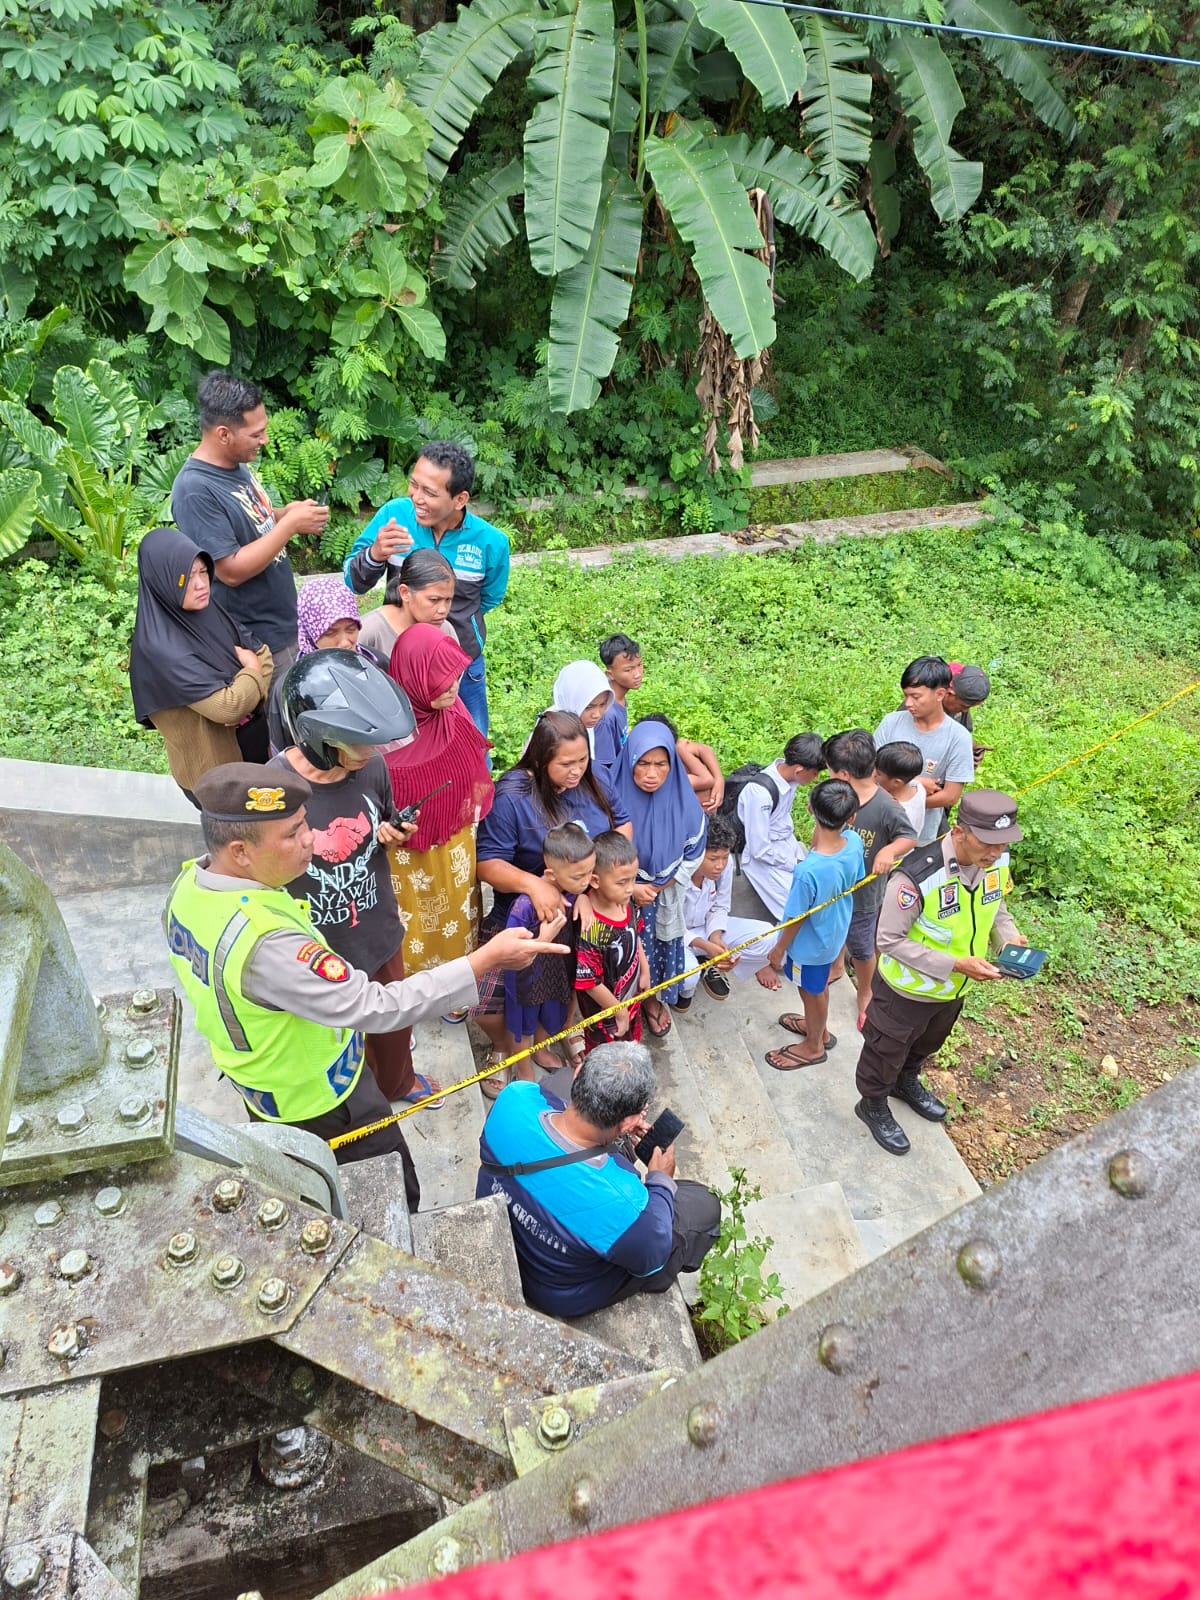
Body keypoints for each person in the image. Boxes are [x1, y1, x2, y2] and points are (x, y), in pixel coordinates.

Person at [163, 762, 568, 1208]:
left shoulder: (190, 887)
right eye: (294, 833)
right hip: (323, 1103)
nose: (311, 840)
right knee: (387, 1193)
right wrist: (484, 961)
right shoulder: (267, 945)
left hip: (265, 1087)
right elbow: (377, 1006)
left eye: (306, 825)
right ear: (240, 851)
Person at [271, 650, 444, 1110]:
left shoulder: (371, 768)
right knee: (333, 1038)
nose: (371, 754)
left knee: (393, 1025)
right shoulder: (275, 789)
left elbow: (382, 823)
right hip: (317, 946)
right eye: (358, 743)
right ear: (317, 737)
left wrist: (393, 834)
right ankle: (358, 1103)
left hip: (376, 927)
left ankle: (398, 1083)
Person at [477, 1040, 721, 1317]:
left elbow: (555, 1108)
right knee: (704, 1205)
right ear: (629, 1121)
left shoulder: (514, 1096)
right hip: (553, 1289)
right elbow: (651, 1259)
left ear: (578, 1074)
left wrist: (619, 1132)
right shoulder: (626, 1203)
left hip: (501, 1230)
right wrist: (661, 1181)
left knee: (556, 1081)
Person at [853, 790, 1027, 1156]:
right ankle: (872, 1103)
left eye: (1003, 844)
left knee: (927, 1043)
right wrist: (955, 964)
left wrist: (1008, 939)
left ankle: (905, 1082)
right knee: (885, 1050)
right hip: (906, 993)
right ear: (960, 832)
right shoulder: (915, 877)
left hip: (954, 990)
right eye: (988, 843)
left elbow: (997, 907)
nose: (996, 852)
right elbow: (888, 940)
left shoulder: (996, 862)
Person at [475, 711, 631, 1088]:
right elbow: (487, 863)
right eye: (565, 764)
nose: (576, 771)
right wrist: (534, 885)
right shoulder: (514, 797)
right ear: (541, 759)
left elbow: (622, 823)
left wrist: (590, 889)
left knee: (569, 985)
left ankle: (554, 1032)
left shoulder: (594, 780)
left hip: (583, 910)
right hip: (524, 914)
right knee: (487, 1002)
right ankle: (505, 1046)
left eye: (582, 760)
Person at [342, 442, 510, 736]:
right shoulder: (394, 517)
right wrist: (375, 554)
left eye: (430, 493)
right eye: (414, 485)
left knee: (471, 741)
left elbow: (489, 598)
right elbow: (353, 582)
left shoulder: (490, 542)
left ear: (460, 499)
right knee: (401, 741)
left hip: (461, 664)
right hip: (401, 665)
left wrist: (454, 622)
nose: (416, 498)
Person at [170, 372, 329, 675]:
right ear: (223, 434)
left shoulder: (236, 465)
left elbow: (252, 523)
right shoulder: (194, 490)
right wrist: (289, 526)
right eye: (256, 434)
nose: (264, 440)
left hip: (283, 623)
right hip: (257, 641)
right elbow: (229, 570)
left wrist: (283, 513)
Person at [130, 526, 273, 802]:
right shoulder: (159, 648)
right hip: (217, 778)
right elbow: (227, 707)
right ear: (162, 580)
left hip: (254, 752)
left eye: (203, 571)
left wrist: (246, 692)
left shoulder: (208, 611)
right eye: (187, 577)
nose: (201, 584)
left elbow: (263, 653)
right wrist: (252, 671)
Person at [384, 624, 494, 977]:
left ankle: (459, 985)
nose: (453, 686)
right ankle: (415, 990)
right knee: (415, 929)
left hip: (455, 848)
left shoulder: (455, 713)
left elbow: (474, 775)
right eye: (440, 679)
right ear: (413, 678)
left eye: (456, 676)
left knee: (457, 923)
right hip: (409, 860)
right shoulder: (383, 740)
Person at [611, 718, 708, 1038]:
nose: (652, 774)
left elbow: (694, 854)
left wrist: (655, 886)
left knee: (655, 951)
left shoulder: (684, 801)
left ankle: (650, 1001)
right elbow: (598, 851)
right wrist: (630, 888)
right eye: (643, 764)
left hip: (661, 897)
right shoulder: (610, 796)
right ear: (629, 760)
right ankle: (616, 1007)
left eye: (661, 764)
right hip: (615, 897)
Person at [760, 779, 864, 1070]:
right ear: (852, 817)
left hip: (808, 947)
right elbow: (855, 879)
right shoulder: (854, 842)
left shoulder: (808, 871)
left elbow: (796, 917)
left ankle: (814, 1045)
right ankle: (818, 1027)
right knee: (817, 986)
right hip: (833, 933)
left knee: (810, 990)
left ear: (809, 809)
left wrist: (779, 949)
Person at [823, 729, 917, 1031]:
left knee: (862, 948)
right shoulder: (837, 796)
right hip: (835, 887)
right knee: (836, 929)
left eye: (830, 771)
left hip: (864, 897)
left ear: (844, 774)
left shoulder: (886, 806)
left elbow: (909, 837)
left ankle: (866, 991)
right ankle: (837, 965)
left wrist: (888, 850)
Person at [504, 824, 596, 1077]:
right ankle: (523, 1068)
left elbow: (582, 893)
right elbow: (509, 950)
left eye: (590, 873)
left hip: (557, 972)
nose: (586, 881)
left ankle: (541, 1049)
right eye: (579, 877)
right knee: (522, 1027)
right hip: (526, 977)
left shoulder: (573, 892)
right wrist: (542, 939)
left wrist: (584, 897)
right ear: (550, 874)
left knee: (551, 1013)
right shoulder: (524, 906)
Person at [675, 813, 776, 1010]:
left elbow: (720, 906)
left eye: (724, 857)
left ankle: (710, 964)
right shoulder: (676, 874)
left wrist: (715, 938)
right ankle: (694, 975)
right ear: (695, 852)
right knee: (688, 978)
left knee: (769, 936)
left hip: (705, 929)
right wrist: (705, 945)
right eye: (713, 858)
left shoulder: (725, 865)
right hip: (676, 937)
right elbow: (670, 924)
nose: (720, 865)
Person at [874, 657, 974, 844]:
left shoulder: (958, 738)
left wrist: (901, 801)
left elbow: (950, 796)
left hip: (919, 836)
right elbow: (869, 772)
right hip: (875, 827)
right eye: (906, 696)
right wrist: (917, 786)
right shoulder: (891, 722)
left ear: (940, 694)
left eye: (916, 697)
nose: (908, 703)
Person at [267, 575, 364, 752]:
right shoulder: (291, 687)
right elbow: (283, 747)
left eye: (351, 629)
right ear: (310, 630)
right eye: (330, 633)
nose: (344, 642)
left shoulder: (372, 664)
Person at [737, 733, 826, 919]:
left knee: (816, 893)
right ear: (799, 770)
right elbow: (759, 850)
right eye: (815, 773)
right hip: (762, 858)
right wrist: (792, 864)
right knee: (797, 909)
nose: (816, 777)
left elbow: (781, 822)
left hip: (785, 844)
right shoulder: (760, 794)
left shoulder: (790, 780)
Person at [575, 830, 649, 1053]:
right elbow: (590, 982)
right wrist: (618, 1010)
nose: (630, 888)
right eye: (622, 882)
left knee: (629, 1048)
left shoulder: (626, 901)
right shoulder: (591, 927)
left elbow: (635, 934)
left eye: (633, 879)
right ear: (595, 881)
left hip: (630, 999)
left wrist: (644, 969)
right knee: (606, 1058)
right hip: (605, 1015)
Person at [357, 547, 458, 661]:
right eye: (434, 600)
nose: (443, 610)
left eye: (448, 600)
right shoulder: (368, 631)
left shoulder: (446, 630)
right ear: (405, 592)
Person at [592, 633, 642, 771]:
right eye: (628, 669)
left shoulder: (618, 699)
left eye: (639, 665)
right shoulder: (606, 715)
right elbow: (603, 769)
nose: (638, 674)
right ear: (610, 674)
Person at [546, 660, 613, 756]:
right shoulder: (552, 733)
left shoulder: (584, 725)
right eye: (588, 707)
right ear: (571, 699)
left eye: (602, 705)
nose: (597, 715)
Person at [875, 741, 927, 840]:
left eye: (878, 773)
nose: (873, 774)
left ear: (896, 783)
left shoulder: (897, 811)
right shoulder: (918, 787)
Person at [945, 662, 992, 766]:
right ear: (950, 693)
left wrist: (972, 748)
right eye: (964, 706)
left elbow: (963, 732)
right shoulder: (921, 709)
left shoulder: (959, 707)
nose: (965, 711)